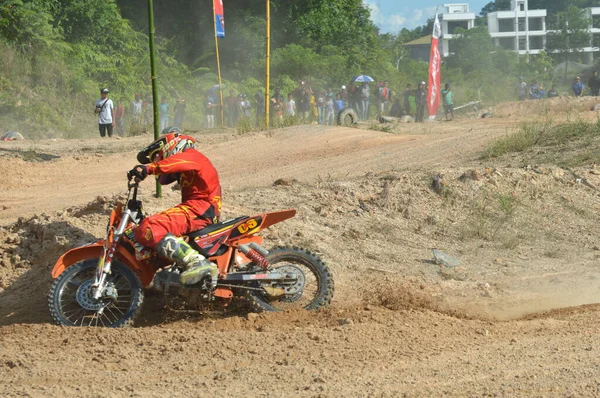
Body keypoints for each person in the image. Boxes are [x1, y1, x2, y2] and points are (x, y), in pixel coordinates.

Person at [127, 127, 221, 287]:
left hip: (200, 209)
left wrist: (148, 168)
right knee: (149, 227)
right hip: (195, 209)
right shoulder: (188, 164)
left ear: (172, 144)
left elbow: (176, 163)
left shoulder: (194, 157)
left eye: (158, 155)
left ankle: (197, 262)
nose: (157, 159)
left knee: (150, 226)